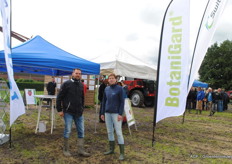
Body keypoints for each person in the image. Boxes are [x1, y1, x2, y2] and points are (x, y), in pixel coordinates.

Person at [56, 68, 90, 157]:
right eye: (76, 73)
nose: (78, 75)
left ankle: (81, 150)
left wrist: (82, 108)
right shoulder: (66, 84)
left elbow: (82, 98)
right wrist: (59, 110)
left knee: (81, 131)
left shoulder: (81, 85)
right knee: (68, 131)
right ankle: (66, 150)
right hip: (68, 112)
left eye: (79, 73)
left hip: (79, 112)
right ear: (72, 74)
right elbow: (59, 97)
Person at [100, 73, 125, 161]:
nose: (110, 79)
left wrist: (120, 114)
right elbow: (103, 101)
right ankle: (111, 149)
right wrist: (102, 113)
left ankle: (122, 153)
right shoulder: (106, 89)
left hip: (116, 114)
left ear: (116, 79)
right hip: (107, 113)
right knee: (109, 131)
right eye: (109, 78)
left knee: (118, 132)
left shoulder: (120, 89)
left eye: (112, 78)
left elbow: (122, 102)